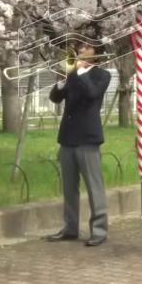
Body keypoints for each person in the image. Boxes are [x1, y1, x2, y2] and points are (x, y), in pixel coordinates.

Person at [46, 42, 112, 247]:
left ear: (96, 53)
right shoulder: (72, 74)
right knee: (69, 188)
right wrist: (62, 81)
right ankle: (70, 228)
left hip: (88, 138)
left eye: (86, 48)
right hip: (67, 137)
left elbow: (92, 93)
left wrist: (80, 71)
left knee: (94, 187)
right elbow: (56, 98)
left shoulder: (102, 75)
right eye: (80, 47)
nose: (80, 50)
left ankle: (99, 230)